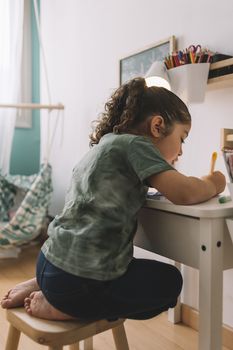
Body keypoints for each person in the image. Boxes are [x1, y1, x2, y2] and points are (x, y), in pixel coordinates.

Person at [1, 77, 226, 321]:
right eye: (182, 139)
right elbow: (185, 192)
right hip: (77, 283)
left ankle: (45, 286)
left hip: (49, 261)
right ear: (157, 126)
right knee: (171, 283)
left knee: (135, 274)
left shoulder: (106, 145)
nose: (181, 151)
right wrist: (213, 182)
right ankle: (63, 307)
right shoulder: (137, 146)